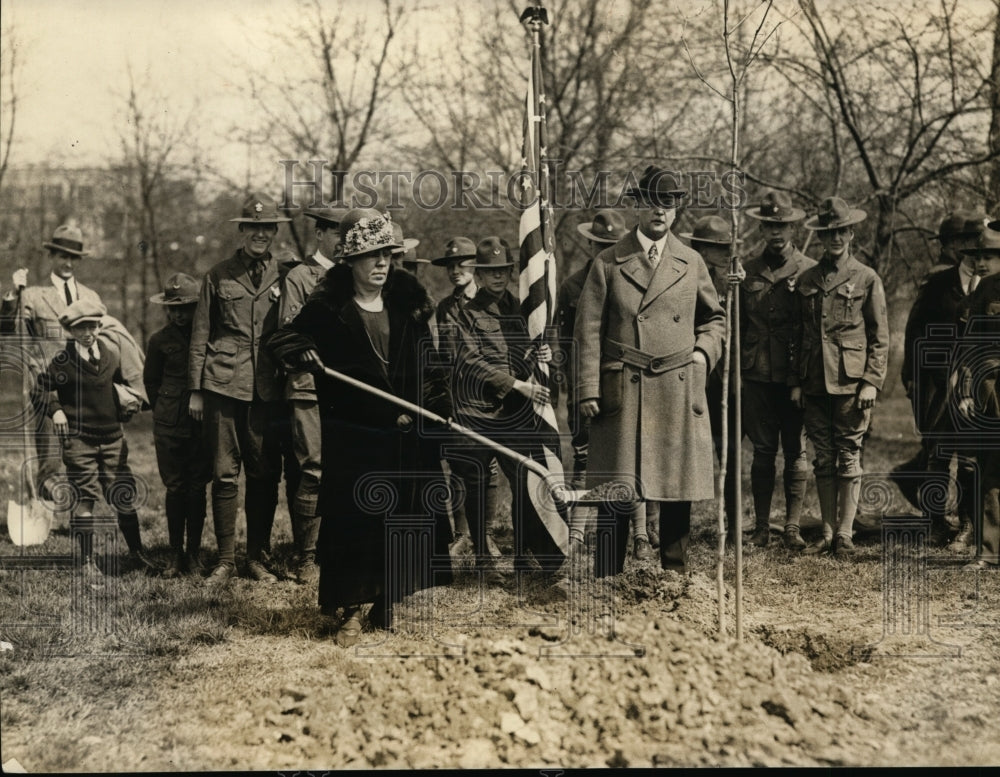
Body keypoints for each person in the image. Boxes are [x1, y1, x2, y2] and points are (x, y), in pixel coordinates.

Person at [269, 208, 453, 646]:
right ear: (349, 261)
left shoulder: (408, 304)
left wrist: (435, 406)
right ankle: (350, 610)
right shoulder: (328, 307)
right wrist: (302, 350)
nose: (382, 264)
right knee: (355, 520)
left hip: (407, 432)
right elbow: (281, 339)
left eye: (386, 255)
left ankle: (386, 600)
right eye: (371, 256)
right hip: (355, 435)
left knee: (403, 515)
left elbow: (430, 365)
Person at [575, 166, 726, 576]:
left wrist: (702, 355)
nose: (660, 211)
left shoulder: (692, 262)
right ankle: (607, 574)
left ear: (676, 210)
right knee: (617, 485)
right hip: (624, 385)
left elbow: (715, 319)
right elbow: (588, 329)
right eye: (651, 202)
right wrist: (588, 387)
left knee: (676, 485)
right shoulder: (609, 262)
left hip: (678, 385)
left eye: (669, 203)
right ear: (637, 206)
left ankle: (675, 576)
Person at [188, 192, 290, 585]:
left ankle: (257, 559)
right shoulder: (217, 275)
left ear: (274, 232)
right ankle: (226, 560)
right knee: (225, 473)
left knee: (264, 474)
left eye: (267, 229)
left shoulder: (284, 275)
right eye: (253, 228)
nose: (260, 235)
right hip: (223, 384)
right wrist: (196, 389)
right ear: (242, 230)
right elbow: (201, 334)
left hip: (267, 388)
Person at [450, 236, 565, 582]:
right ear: (479, 276)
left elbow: (527, 354)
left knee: (523, 482)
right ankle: (483, 560)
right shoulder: (465, 314)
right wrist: (516, 384)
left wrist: (541, 357)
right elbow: (470, 361)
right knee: (477, 484)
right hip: (476, 413)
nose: (498, 277)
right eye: (490, 272)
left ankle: (523, 555)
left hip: (513, 415)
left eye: (503, 270)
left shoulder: (523, 310)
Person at [789, 197, 890, 557]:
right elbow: (800, 335)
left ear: (851, 232)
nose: (836, 237)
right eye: (829, 231)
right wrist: (796, 383)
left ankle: (845, 534)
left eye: (842, 230)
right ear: (821, 236)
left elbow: (880, 337)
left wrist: (870, 382)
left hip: (851, 383)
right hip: (814, 381)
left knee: (849, 454)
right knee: (823, 458)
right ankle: (828, 533)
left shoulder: (866, 277)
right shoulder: (807, 279)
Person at [34, 299, 155, 576]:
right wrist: (56, 411)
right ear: (71, 331)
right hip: (79, 441)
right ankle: (87, 561)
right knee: (84, 498)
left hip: (113, 438)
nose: (87, 332)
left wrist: (128, 400)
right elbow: (39, 390)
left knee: (123, 495)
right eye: (80, 328)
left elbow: (127, 384)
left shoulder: (111, 354)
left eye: (92, 326)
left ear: (99, 326)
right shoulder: (63, 361)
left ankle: (137, 553)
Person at [896, 213, 985, 549]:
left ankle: (967, 524)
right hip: (937, 386)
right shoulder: (937, 284)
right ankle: (934, 522)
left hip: (976, 388)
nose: (975, 254)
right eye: (969, 246)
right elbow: (915, 331)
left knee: (969, 458)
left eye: (981, 248)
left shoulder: (991, 286)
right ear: (958, 248)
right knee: (937, 455)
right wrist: (921, 375)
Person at [1, 225, 104, 502]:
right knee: (51, 457)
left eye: (73, 257)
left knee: (83, 455)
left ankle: (80, 512)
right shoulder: (32, 295)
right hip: (49, 387)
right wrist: (13, 295)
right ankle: (49, 512)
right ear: (52, 257)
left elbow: (102, 343)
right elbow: (8, 328)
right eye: (62, 256)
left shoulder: (91, 297)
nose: (68, 263)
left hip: (85, 387)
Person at [739, 192, 816, 549]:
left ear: (792, 227)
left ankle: (792, 527)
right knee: (763, 452)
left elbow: (812, 327)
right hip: (756, 374)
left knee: (796, 451)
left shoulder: (808, 270)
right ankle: (761, 527)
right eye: (769, 225)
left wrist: (803, 374)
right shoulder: (747, 270)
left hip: (793, 376)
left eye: (782, 225)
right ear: (762, 227)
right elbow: (737, 324)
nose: (776, 232)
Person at [277, 206, 346, 584]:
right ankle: (306, 557)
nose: (342, 240)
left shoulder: (354, 277)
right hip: (309, 388)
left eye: (346, 234)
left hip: (348, 390)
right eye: (335, 232)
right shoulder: (301, 277)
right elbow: (290, 335)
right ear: (319, 234)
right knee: (314, 470)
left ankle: (337, 548)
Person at [678, 214, 745, 547]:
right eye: (712, 249)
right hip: (690, 376)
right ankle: (676, 531)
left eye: (723, 249)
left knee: (729, 453)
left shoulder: (734, 283)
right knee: (684, 454)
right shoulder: (683, 275)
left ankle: (733, 527)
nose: (719, 255)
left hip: (726, 380)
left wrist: (739, 291)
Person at [431, 236, 499, 559]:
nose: (456, 270)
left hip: (487, 397)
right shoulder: (445, 308)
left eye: (462, 264)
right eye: (450, 266)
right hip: (455, 397)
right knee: (458, 465)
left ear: (476, 266)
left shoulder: (491, 302)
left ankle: (484, 535)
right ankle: (464, 534)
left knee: (488, 466)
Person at [144, 274, 212, 578]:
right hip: (169, 424)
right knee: (175, 488)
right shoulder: (159, 340)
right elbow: (151, 381)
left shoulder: (209, 336)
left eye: (186, 307)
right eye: (174, 309)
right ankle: (174, 554)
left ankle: (194, 554)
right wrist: (164, 407)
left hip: (201, 424)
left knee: (198, 488)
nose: (179, 315)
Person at [955, 222, 1000, 571]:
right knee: (989, 466)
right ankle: (988, 551)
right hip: (992, 389)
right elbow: (971, 344)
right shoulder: (986, 289)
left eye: (991, 255)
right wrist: (968, 389)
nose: (985, 261)